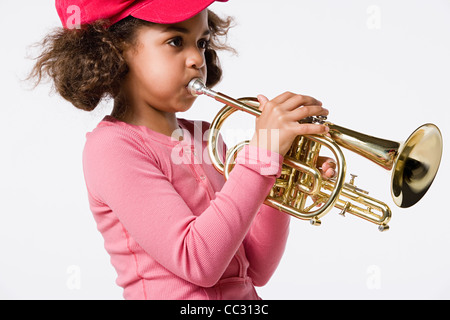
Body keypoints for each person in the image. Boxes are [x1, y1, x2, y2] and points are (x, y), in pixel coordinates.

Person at [29, 0, 335, 300]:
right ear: (115, 50)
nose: (197, 59)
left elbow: (258, 269)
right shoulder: (111, 148)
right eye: (176, 41)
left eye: (201, 43)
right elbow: (198, 261)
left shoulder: (205, 137)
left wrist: (278, 175)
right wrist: (261, 156)